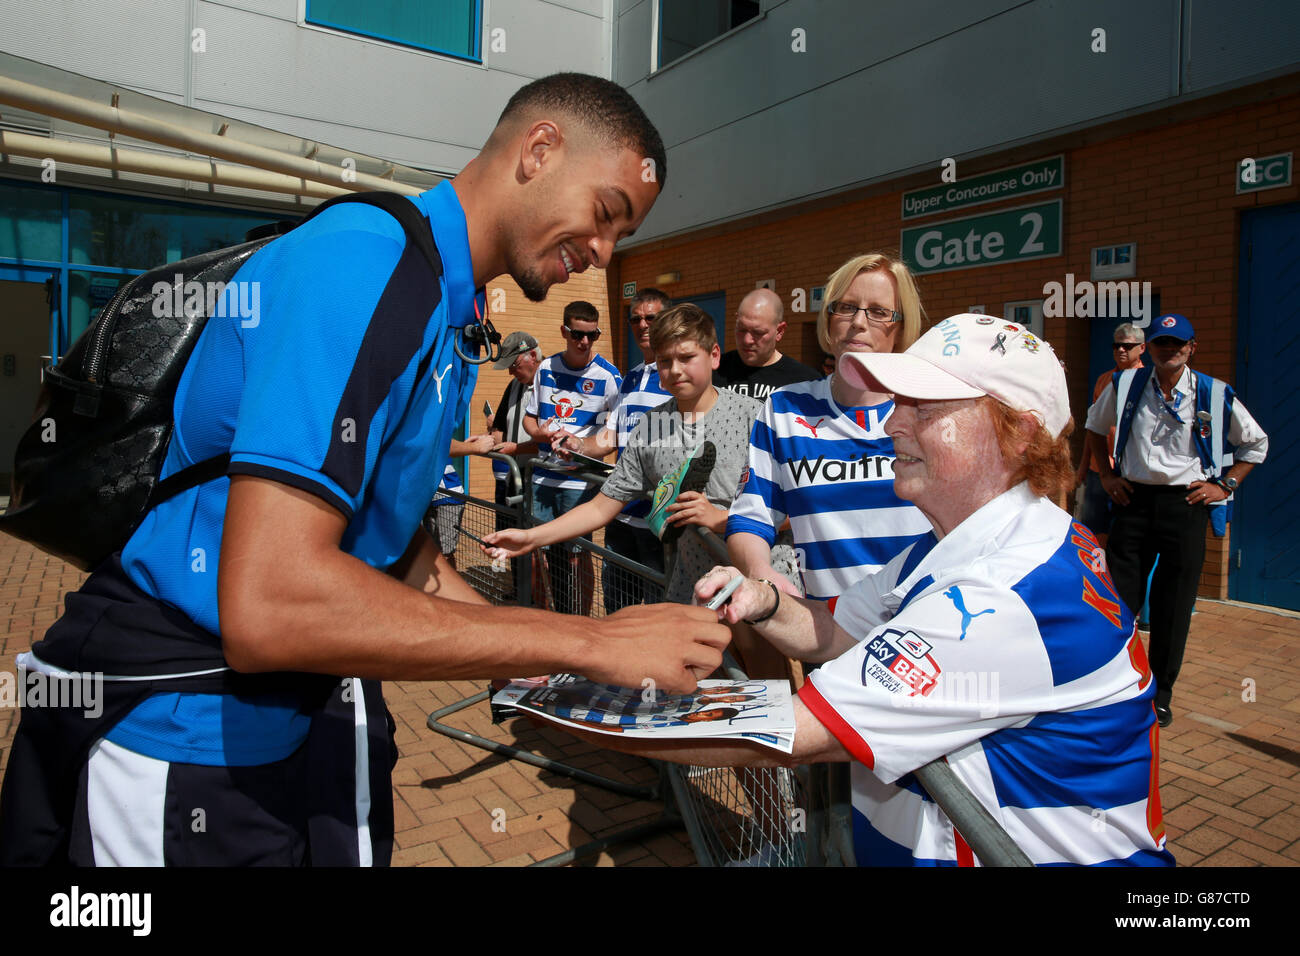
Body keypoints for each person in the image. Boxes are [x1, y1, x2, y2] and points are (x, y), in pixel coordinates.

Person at [0, 72, 730, 867]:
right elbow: (271, 605)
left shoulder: (445, 302)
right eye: (606, 215)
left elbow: (392, 549)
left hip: (301, 726)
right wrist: (586, 646)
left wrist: (579, 676)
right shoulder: (366, 262)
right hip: (194, 747)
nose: (603, 254)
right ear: (540, 150)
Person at [601, 313, 1175, 867]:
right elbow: (838, 630)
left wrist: (580, 673)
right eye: (898, 401)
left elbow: (792, 732)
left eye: (923, 406)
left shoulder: (1009, 592)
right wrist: (764, 601)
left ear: (1019, 433)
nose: (893, 423)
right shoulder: (961, 542)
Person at [484, 304, 761, 605]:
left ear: (715, 356)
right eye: (665, 361)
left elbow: (794, 507)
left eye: (687, 357)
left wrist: (721, 519)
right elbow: (601, 507)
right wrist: (531, 537)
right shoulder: (649, 428)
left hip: (756, 582)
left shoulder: (754, 418)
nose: (676, 369)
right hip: (691, 590)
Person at [1085, 313, 1267, 728]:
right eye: (1161, 343)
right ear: (1149, 348)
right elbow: (1094, 427)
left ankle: (1159, 694)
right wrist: (1108, 474)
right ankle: (1112, 685)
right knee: (1118, 603)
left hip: (1186, 505)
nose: (1168, 350)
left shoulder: (1213, 392)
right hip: (1133, 501)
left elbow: (1256, 444)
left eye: (1177, 343)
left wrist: (1226, 486)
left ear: (1191, 348)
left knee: (1173, 606)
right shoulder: (1125, 384)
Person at [727, 254, 932, 604]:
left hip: (924, 628)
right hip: (826, 631)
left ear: (901, 325)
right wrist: (764, 573)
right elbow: (750, 518)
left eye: (879, 311)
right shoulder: (784, 409)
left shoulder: (931, 406)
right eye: (846, 307)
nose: (858, 322)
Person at [568, 288, 672, 612]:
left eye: (651, 318)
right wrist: (575, 445)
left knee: (657, 620)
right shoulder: (630, 378)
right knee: (618, 613)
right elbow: (609, 438)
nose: (642, 325)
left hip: (658, 523)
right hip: (621, 517)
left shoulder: (678, 377)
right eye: (635, 319)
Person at [523, 300, 623, 614]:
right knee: (538, 550)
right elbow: (529, 420)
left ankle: (580, 621)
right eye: (578, 334)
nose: (584, 342)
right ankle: (543, 620)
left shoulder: (609, 376)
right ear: (564, 331)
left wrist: (579, 444)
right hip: (542, 477)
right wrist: (542, 434)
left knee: (578, 555)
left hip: (581, 484)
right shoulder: (546, 368)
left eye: (592, 336)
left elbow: (614, 435)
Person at [1074, 323, 1146, 544]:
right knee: (1092, 534)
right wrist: (1084, 466)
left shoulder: (1148, 381)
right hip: (1099, 469)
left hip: (1131, 471)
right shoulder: (1104, 380)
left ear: (1142, 348)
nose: (1121, 350)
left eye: (1127, 346)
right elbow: (1093, 427)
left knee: (1126, 535)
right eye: (1116, 346)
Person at [715, 288, 820, 401]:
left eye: (758, 332)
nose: (747, 340)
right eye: (742, 329)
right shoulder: (712, 371)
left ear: (779, 331)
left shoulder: (805, 382)